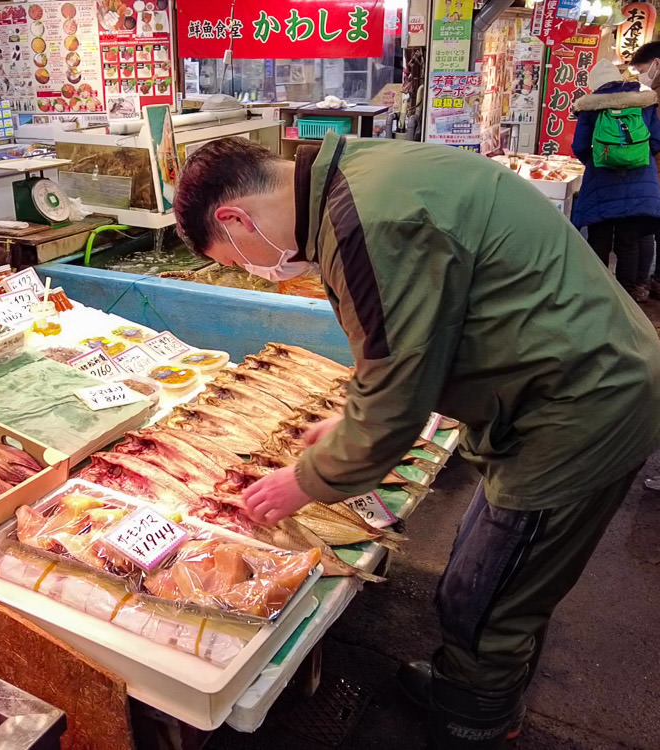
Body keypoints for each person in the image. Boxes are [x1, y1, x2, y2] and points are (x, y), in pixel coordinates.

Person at [172, 135, 660, 749]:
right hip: (562, 380)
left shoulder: (368, 223)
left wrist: (307, 480)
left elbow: (397, 383)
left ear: (236, 218)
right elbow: (417, 339)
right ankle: (471, 683)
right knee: (490, 568)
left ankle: (474, 721)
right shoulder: (361, 173)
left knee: (492, 595)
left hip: (578, 408)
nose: (254, 271)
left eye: (237, 260)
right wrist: (353, 419)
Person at [570, 61, 660, 302]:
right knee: (628, 242)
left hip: (601, 182)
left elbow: (579, 146)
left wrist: (599, 160)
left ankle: (598, 293)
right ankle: (625, 296)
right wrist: (636, 158)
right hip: (640, 182)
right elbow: (656, 141)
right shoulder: (644, 104)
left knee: (598, 238)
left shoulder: (590, 107)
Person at [631, 40, 660, 298]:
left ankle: (640, 285)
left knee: (645, 231)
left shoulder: (654, 99)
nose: (641, 76)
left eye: (641, 70)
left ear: (656, 65)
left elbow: (652, 141)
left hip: (654, 175)